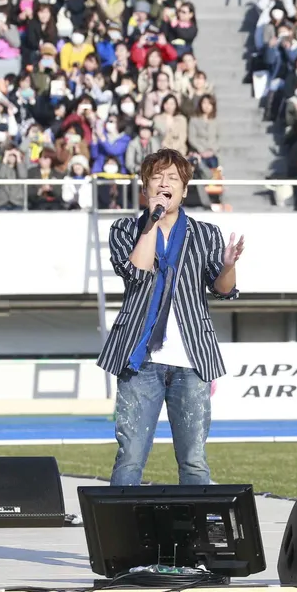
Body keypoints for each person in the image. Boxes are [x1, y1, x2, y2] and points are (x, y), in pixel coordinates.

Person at [97, 148, 245, 486]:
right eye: (157, 177)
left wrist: (228, 266)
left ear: (185, 189)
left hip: (191, 360)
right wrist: (151, 223)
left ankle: (198, 537)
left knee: (194, 461)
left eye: (173, 179)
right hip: (139, 360)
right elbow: (138, 273)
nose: (165, 183)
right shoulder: (125, 230)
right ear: (145, 187)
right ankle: (121, 536)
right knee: (130, 458)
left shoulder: (206, 233)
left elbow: (222, 290)